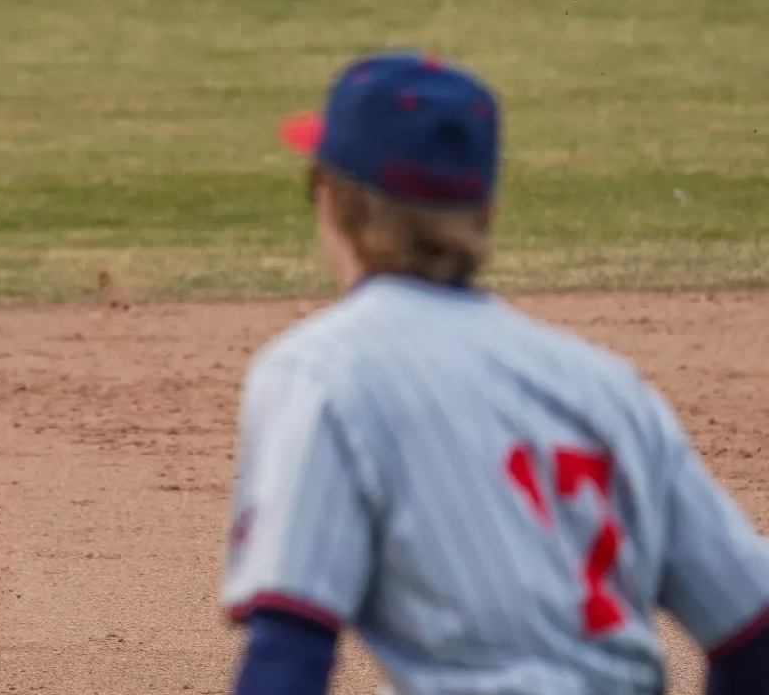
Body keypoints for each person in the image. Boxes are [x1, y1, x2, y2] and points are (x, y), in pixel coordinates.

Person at [221, 50, 769, 694]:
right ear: (486, 212)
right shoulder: (604, 387)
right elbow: (752, 636)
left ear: (329, 199)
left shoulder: (322, 373)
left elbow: (290, 652)